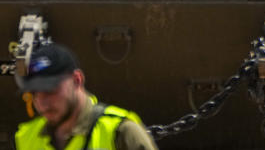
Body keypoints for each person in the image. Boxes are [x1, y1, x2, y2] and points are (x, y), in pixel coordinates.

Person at [15, 43, 158, 150]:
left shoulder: (121, 132)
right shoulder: (26, 137)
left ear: (77, 80)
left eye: (50, 90)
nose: (42, 103)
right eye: (34, 93)